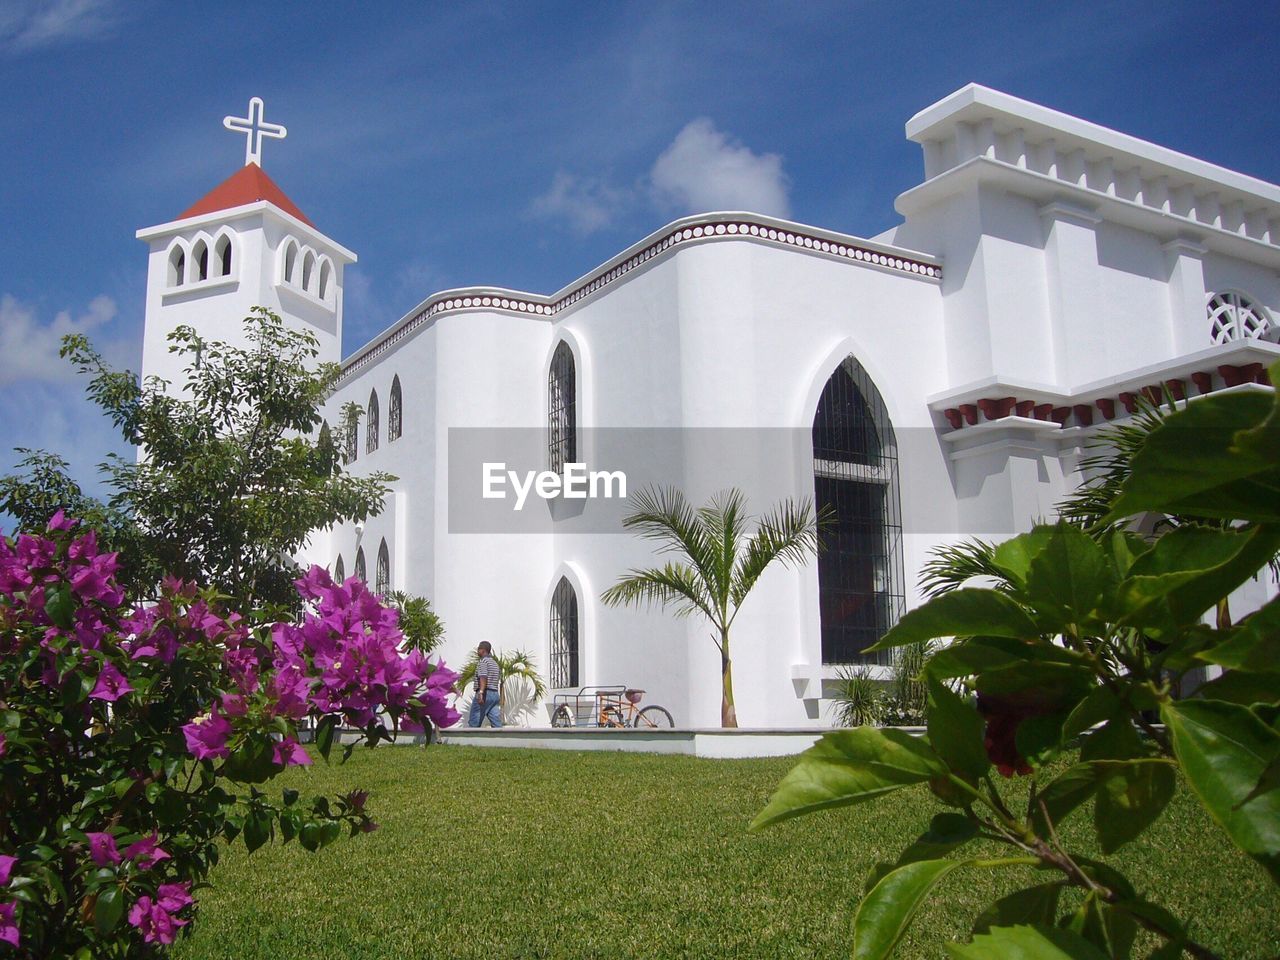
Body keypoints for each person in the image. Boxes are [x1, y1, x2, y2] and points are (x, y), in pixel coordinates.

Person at [467, 642, 503, 728]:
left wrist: (481, 692)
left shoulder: (483, 662)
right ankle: (503, 740)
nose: (477, 651)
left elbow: (483, 677)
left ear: (483, 650)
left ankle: (471, 740)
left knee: (474, 722)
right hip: (494, 695)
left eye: (478, 649)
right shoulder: (495, 663)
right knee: (496, 723)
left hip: (485, 694)